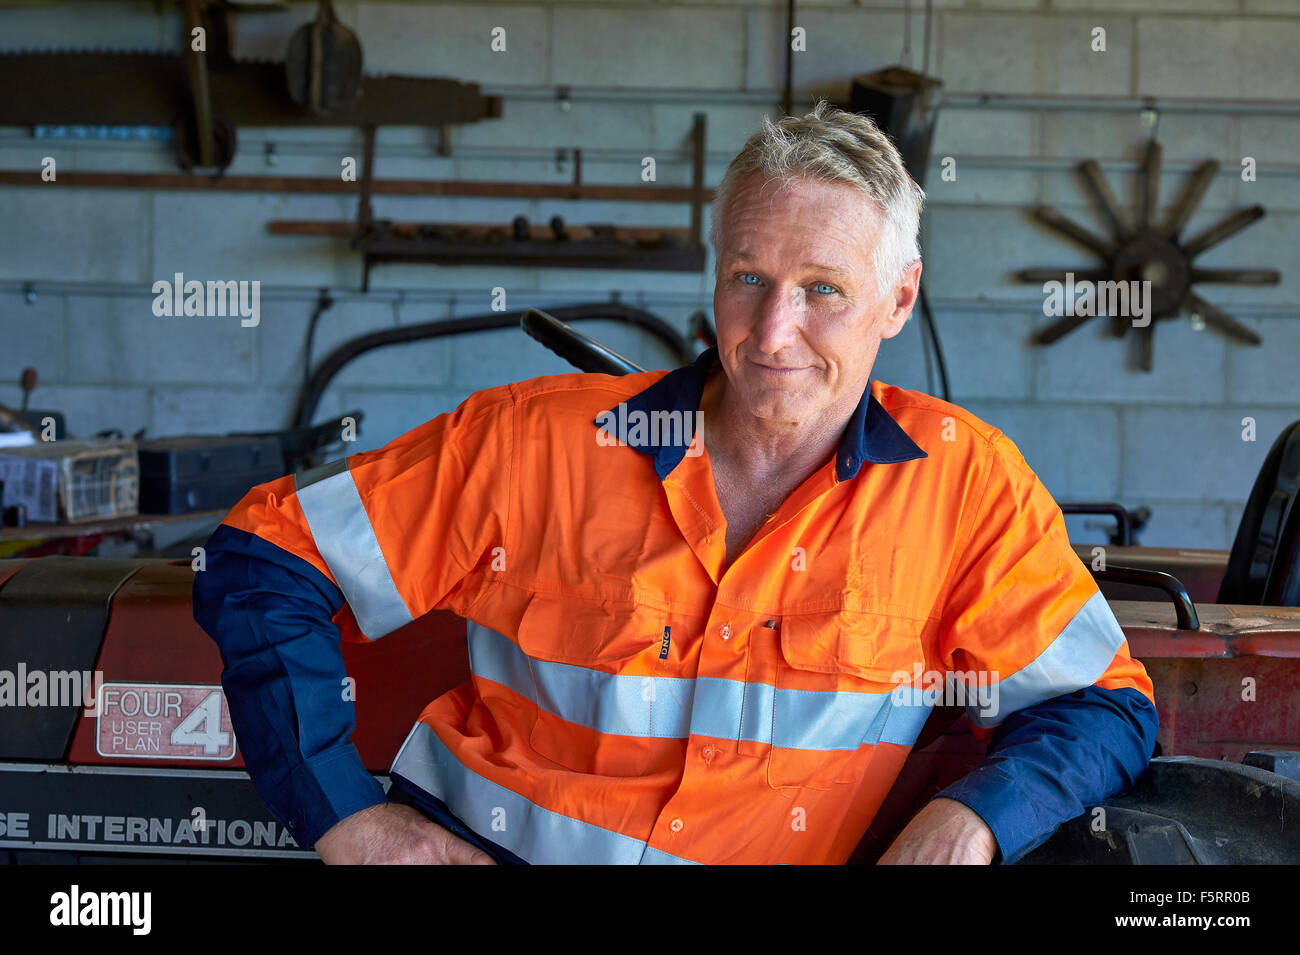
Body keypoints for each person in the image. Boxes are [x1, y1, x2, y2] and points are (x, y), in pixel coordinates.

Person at [193, 99, 1157, 865]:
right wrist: (345, 820)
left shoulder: (964, 488)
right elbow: (260, 556)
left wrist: (972, 816)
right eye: (748, 278)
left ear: (898, 298)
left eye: (823, 288)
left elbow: (1104, 701)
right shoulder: (540, 440)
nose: (772, 332)